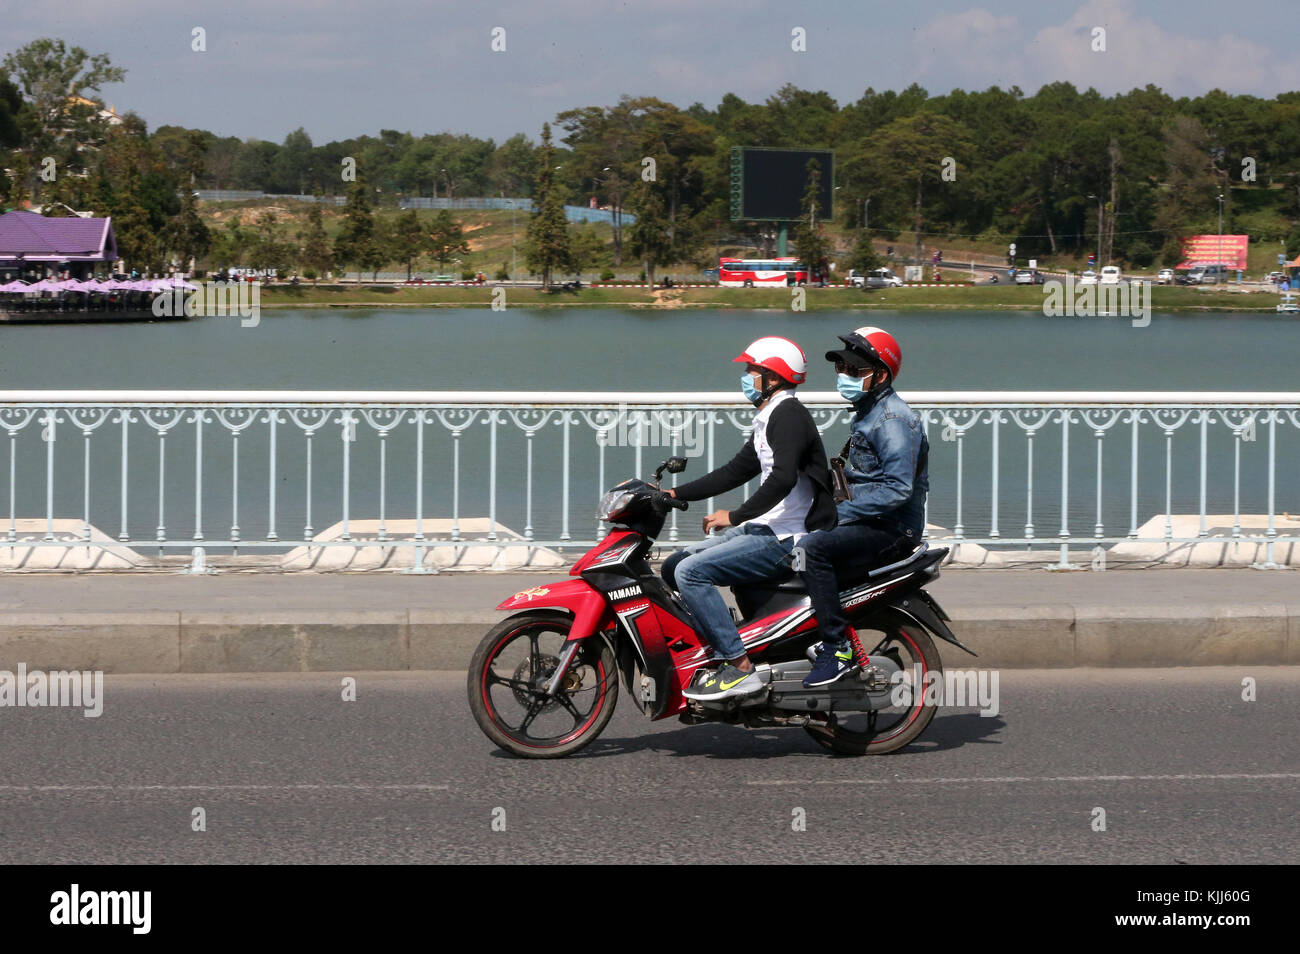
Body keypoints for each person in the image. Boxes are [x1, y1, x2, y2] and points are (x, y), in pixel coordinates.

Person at [662, 336, 835, 701]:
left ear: (773, 377)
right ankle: (720, 642)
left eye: (751, 370)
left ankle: (739, 667)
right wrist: (675, 494)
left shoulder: (788, 416)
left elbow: (782, 478)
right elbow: (734, 471)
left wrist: (736, 515)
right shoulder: (771, 415)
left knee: (690, 572)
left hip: (786, 538)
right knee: (674, 564)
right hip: (766, 527)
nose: (745, 376)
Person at [794, 326, 929, 688]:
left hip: (892, 528)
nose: (844, 375)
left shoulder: (892, 420)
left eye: (854, 370)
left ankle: (837, 648)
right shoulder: (869, 412)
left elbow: (897, 490)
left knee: (812, 549)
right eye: (841, 368)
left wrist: (835, 515)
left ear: (880, 376)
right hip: (872, 519)